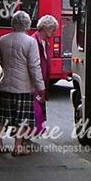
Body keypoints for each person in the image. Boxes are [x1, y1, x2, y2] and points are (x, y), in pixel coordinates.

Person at [0, 11, 45, 156]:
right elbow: (34, 66)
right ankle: (17, 146)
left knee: (2, 117)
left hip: (4, 85)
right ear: (27, 24)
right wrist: (40, 87)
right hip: (23, 87)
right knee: (21, 119)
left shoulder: (2, 40)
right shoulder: (30, 42)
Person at [30, 14, 59, 147]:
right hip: (34, 83)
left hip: (41, 81)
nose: (54, 33)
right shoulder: (33, 41)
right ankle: (25, 139)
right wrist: (38, 86)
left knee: (37, 113)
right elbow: (33, 65)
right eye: (53, 29)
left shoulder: (44, 42)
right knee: (33, 113)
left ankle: (28, 138)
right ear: (45, 28)